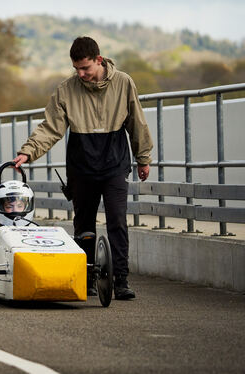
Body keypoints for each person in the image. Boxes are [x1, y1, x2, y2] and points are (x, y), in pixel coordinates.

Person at [13, 36, 153, 300]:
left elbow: (137, 121)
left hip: (114, 165)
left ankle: (120, 280)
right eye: (76, 69)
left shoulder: (123, 83)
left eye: (85, 68)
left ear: (99, 60)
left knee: (117, 222)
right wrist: (27, 152)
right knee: (84, 225)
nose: (81, 74)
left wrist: (142, 158)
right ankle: (87, 278)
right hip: (82, 167)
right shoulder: (66, 90)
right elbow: (50, 127)